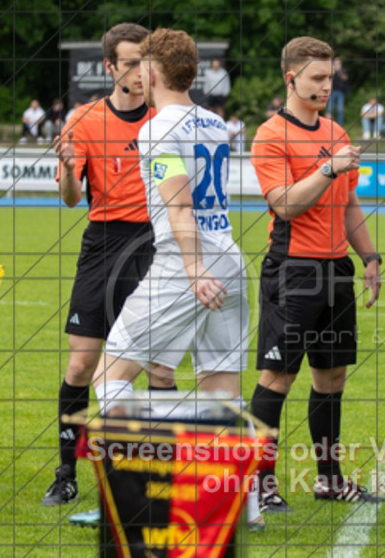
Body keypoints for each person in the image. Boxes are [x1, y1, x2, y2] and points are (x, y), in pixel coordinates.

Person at [91, 27, 261, 527]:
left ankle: (137, 498)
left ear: (152, 71)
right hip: (228, 254)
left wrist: (191, 270)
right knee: (222, 391)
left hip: (187, 262)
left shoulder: (156, 128)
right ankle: (243, 509)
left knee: (110, 377)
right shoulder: (214, 121)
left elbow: (180, 204)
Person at [41, 22, 176, 509]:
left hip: (156, 246)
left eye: (147, 60)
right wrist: (69, 165)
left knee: (160, 369)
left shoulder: (168, 119)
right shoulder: (83, 119)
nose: (141, 71)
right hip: (102, 243)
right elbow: (72, 198)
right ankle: (65, 473)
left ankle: (159, 476)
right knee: (81, 365)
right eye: (132, 62)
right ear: (110, 67)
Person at [249, 36, 383, 513]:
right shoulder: (269, 135)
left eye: (330, 77)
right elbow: (283, 204)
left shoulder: (339, 133)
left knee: (332, 378)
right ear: (292, 78)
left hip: (336, 271)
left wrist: (369, 258)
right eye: (318, 78)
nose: (328, 86)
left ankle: (330, 480)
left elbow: (348, 204)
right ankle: (260, 483)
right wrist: (328, 167)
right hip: (293, 270)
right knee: (277, 377)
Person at [329, 57, 349, 125]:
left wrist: (339, 71)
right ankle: (329, 125)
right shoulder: (331, 70)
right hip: (331, 92)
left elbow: (345, 78)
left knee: (340, 110)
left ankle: (340, 126)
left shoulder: (343, 70)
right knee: (330, 110)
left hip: (340, 92)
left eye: (338, 62)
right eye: (335, 62)